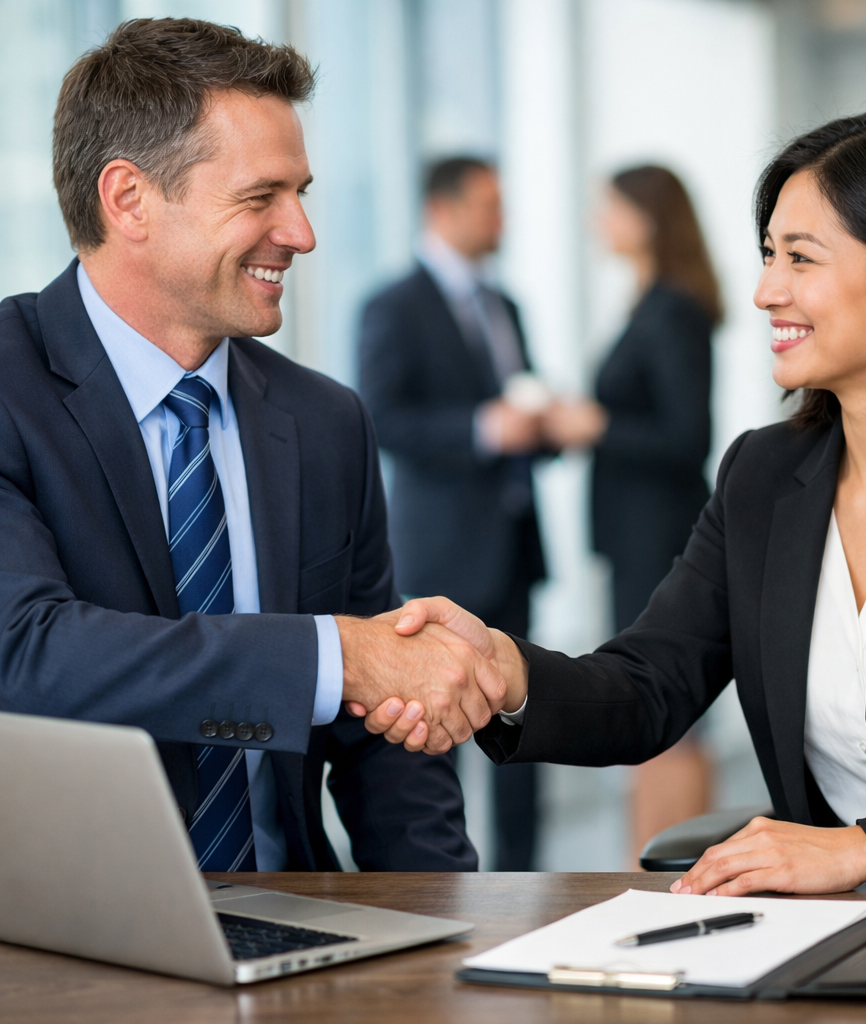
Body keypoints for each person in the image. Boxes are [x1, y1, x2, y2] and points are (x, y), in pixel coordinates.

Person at [357, 108, 866, 902]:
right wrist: (506, 670)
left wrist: (863, 849)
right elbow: (650, 684)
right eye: (769, 254)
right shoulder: (765, 475)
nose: (765, 291)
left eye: (801, 258)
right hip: (829, 925)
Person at [0, 18, 507, 874]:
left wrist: (448, 920)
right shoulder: (11, 387)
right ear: (128, 200)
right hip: (60, 922)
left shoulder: (326, 421)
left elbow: (381, 733)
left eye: (300, 192)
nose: (301, 233)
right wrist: (334, 654)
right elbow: (25, 653)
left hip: (297, 911)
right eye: (259, 196)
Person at [358, 157, 546, 871]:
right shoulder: (393, 305)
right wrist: (480, 429)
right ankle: (451, 881)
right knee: (442, 725)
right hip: (442, 551)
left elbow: (517, 399)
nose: (503, 220)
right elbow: (381, 417)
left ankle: (530, 881)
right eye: (489, 205)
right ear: (442, 209)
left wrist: (539, 426)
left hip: (514, 541)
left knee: (525, 718)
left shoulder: (506, 304)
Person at [545, 165, 719, 866]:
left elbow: (687, 436)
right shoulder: (649, 301)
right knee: (656, 709)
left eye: (609, 209)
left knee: (661, 703)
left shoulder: (672, 309)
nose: (599, 223)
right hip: (636, 530)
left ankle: (669, 869)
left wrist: (598, 424)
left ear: (646, 219)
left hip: (658, 532)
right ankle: (656, 864)